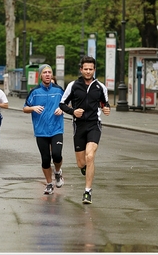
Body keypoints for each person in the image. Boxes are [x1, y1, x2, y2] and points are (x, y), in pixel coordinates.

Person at [59, 56, 110, 204]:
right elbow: (62, 104)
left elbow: (105, 103)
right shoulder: (73, 86)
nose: (88, 72)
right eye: (85, 69)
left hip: (94, 125)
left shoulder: (100, 87)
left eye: (91, 69)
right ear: (81, 69)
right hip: (79, 126)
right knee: (81, 163)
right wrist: (73, 112)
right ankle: (86, 169)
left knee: (90, 156)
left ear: (94, 70)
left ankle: (87, 191)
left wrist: (106, 109)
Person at [23, 64, 65, 195]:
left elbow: (67, 104)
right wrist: (33, 108)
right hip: (41, 131)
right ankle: (49, 184)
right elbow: (25, 108)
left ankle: (57, 172)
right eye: (45, 72)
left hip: (56, 129)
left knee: (57, 155)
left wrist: (62, 108)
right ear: (40, 75)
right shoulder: (34, 92)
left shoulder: (59, 90)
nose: (47, 74)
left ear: (52, 75)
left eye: (49, 72)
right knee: (45, 159)